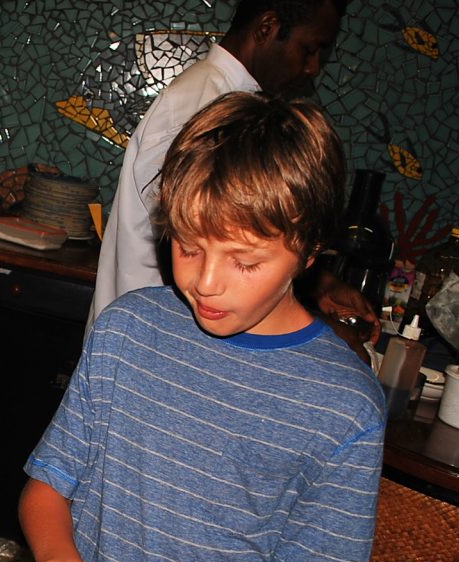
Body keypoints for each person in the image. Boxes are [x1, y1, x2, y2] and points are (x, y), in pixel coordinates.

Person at [10, 92, 385, 562]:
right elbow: (47, 485)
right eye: (187, 246)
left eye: (245, 261)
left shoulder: (345, 406)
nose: (207, 281)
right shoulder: (126, 331)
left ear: (312, 247)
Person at [92, 0, 379, 341]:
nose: (313, 67)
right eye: (309, 49)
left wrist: (319, 284)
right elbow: (206, 233)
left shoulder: (230, 103)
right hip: (151, 340)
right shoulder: (199, 107)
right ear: (266, 28)